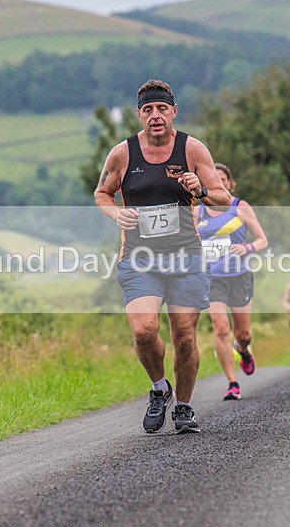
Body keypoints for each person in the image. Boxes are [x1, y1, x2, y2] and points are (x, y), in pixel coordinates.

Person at [94, 79, 231, 434]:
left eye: (162, 109)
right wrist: (115, 214)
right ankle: (159, 388)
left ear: (173, 111)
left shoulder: (193, 149)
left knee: (184, 337)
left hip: (186, 256)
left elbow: (223, 198)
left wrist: (199, 189)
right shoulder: (122, 154)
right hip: (140, 258)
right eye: (148, 110)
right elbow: (103, 194)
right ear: (139, 115)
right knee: (144, 330)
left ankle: (183, 407)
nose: (155, 116)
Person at [195, 163, 268, 400]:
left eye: (223, 179)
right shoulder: (197, 212)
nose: (219, 182)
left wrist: (247, 247)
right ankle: (232, 382)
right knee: (220, 328)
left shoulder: (240, 207)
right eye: (213, 179)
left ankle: (243, 349)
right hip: (212, 277)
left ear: (230, 183)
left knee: (243, 333)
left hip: (239, 276)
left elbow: (262, 240)